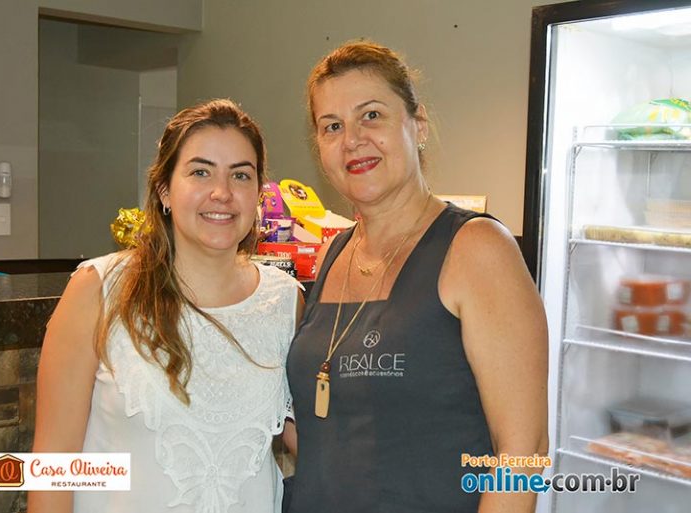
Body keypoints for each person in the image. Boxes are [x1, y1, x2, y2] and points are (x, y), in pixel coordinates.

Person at [285, 41, 548, 512]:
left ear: (418, 125)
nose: (352, 140)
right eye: (332, 126)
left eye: (371, 116)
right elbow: (336, 439)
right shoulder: (333, 253)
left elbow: (523, 451)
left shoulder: (476, 249)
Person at [30, 99, 302, 513]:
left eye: (241, 175)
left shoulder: (284, 301)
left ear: (258, 194)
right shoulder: (99, 289)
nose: (222, 193)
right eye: (200, 172)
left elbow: (317, 443)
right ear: (164, 191)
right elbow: (53, 466)